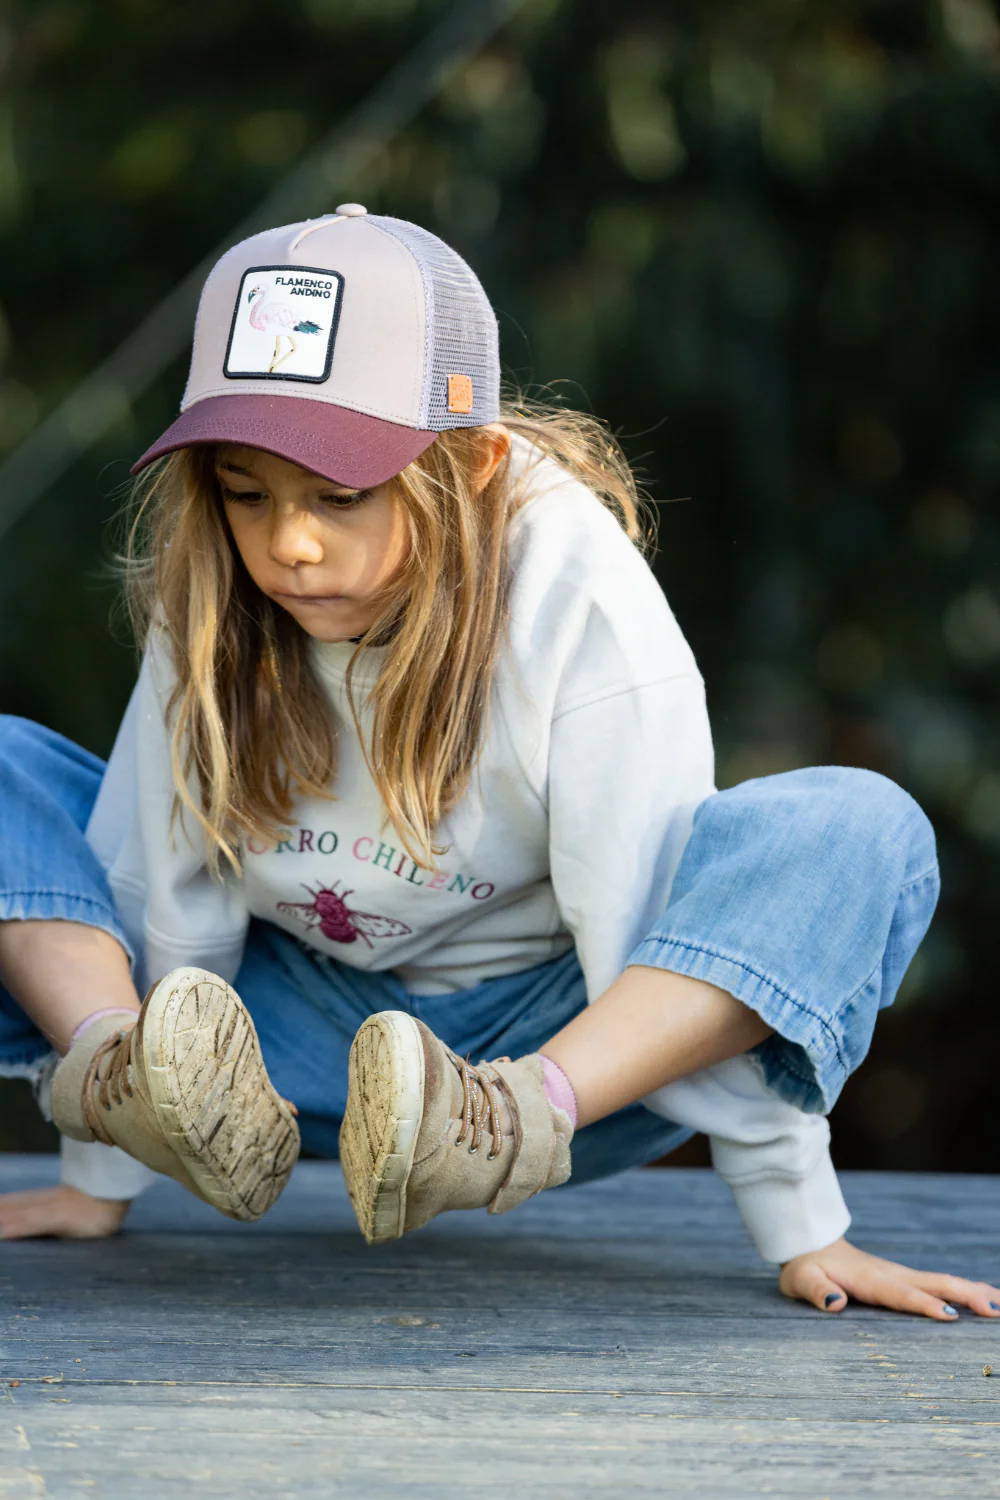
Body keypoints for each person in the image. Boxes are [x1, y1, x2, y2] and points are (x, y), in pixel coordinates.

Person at [1, 205, 996, 1325]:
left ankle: (493, 1121)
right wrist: (109, 1162)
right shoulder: (214, 588)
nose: (289, 544)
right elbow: (166, 881)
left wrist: (799, 1221)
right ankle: (111, 1072)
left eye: (339, 494)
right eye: (247, 493)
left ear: (467, 465)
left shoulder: (571, 590)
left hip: (554, 1064)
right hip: (289, 1049)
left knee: (858, 825)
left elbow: (637, 905)